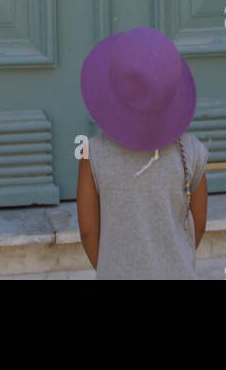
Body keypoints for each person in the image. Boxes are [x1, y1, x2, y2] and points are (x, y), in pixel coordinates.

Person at [76, 26, 208, 280]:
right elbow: (198, 223)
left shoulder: (92, 154)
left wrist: (112, 269)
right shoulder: (192, 151)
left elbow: (88, 232)